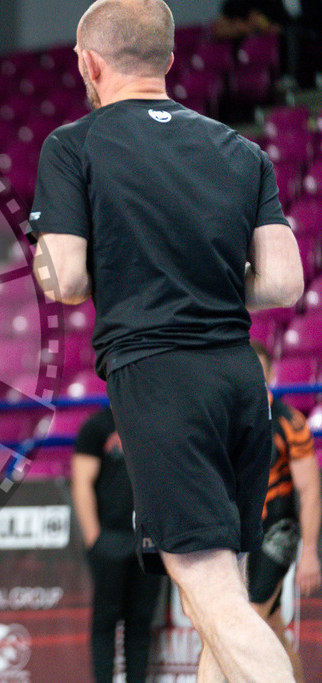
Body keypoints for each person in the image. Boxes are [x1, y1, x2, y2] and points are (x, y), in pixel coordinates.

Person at [28, 0, 304, 680]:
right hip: (240, 380)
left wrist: (51, 258)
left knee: (213, 595)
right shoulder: (243, 149)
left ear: (88, 63)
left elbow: (63, 278)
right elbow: (285, 282)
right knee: (220, 594)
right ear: (170, 60)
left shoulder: (73, 143)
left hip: (159, 377)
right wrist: (199, 276)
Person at [247, 340, 321, 683]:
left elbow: (309, 490)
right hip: (246, 530)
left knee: (246, 628)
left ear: (272, 375)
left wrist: (309, 556)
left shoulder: (290, 422)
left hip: (280, 529)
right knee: (273, 628)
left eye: (259, 375)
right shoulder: (228, 418)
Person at [71, 408, 164, 682]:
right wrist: (95, 540)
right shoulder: (97, 426)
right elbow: (82, 483)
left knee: (141, 623)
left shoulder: (159, 420)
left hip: (150, 540)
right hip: (110, 538)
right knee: (105, 622)